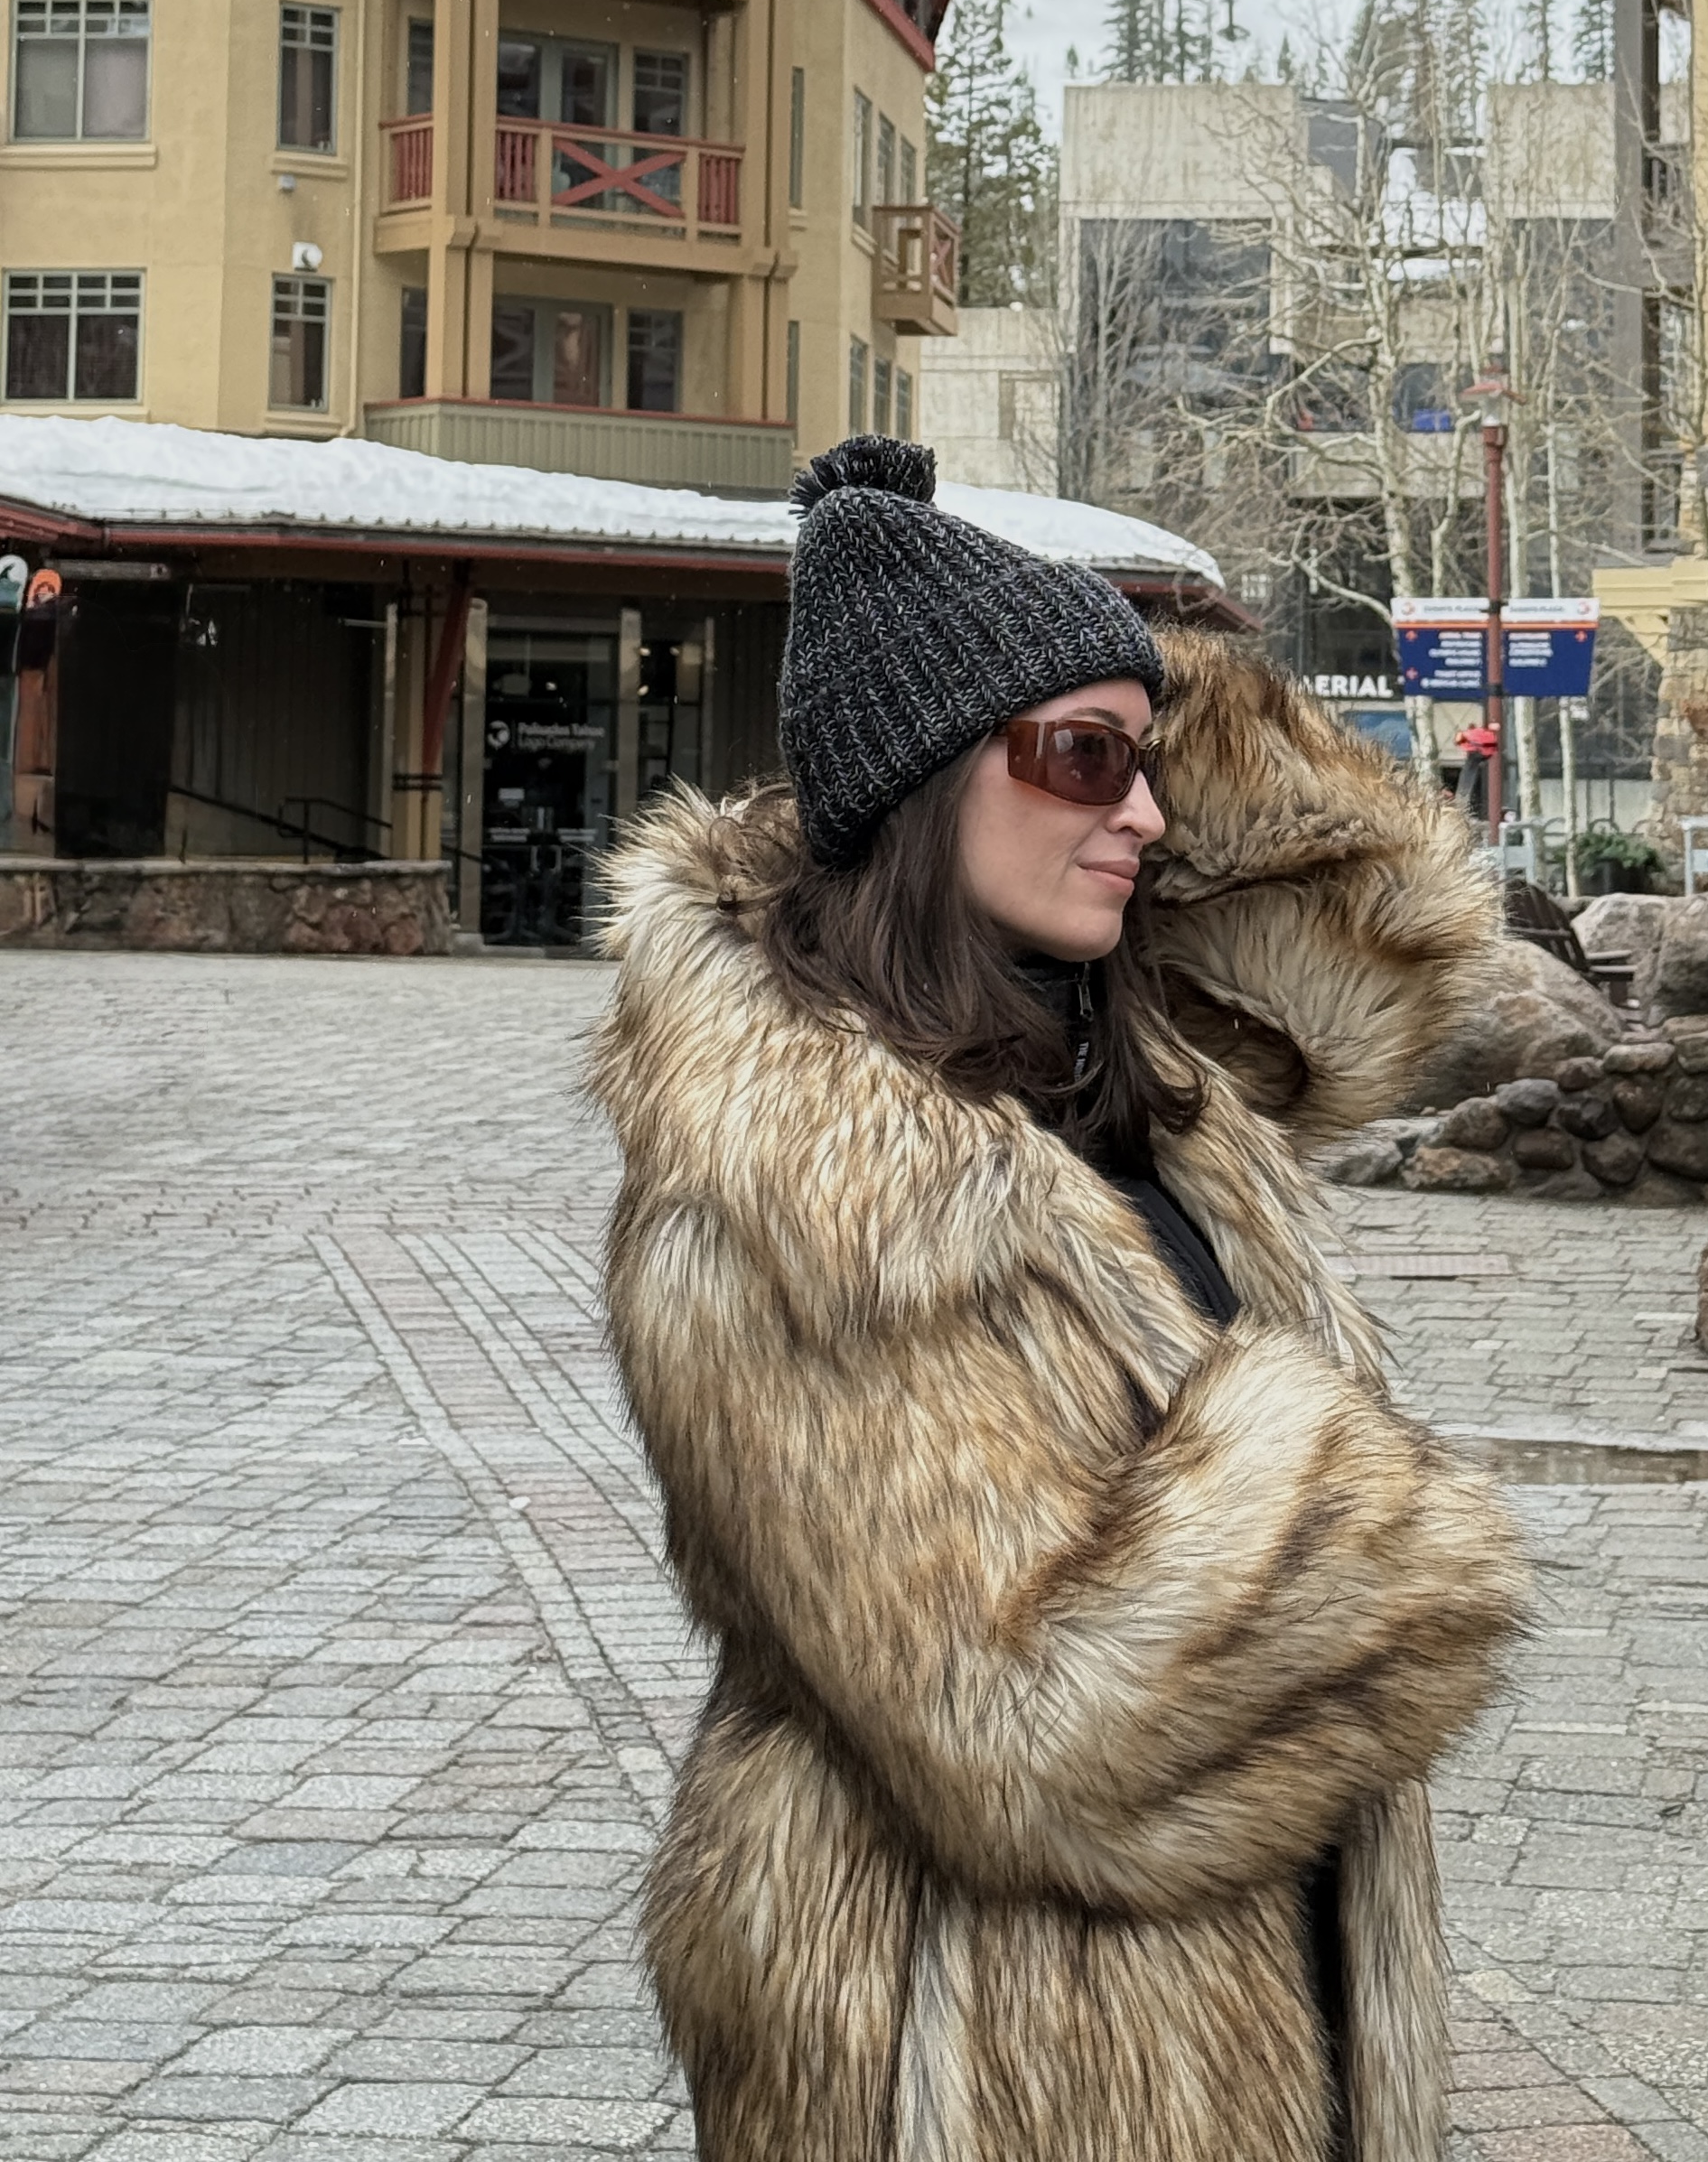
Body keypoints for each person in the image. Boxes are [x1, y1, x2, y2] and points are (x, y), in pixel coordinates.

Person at [592, 437, 1530, 2162]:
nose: (1147, 813)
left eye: (1149, 760)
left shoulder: (1125, 1077)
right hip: (980, 2049)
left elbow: (1365, 940)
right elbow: (1029, 1722)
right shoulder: (796, 1196)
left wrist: (1166, 713)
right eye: (1084, 755)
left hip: (1251, 2001)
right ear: (926, 782)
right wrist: (1354, 1522)